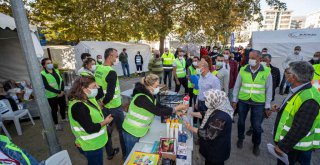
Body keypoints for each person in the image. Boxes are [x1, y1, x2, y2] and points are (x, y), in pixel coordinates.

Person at [122, 74, 188, 159]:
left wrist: (176, 112)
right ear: (149, 86)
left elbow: (160, 106)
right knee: (130, 156)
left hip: (139, 130)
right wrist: (176, 108)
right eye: (157, 86)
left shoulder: (149, 95)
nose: (158, 88)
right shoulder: (141, 98)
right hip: (131, 131)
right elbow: (158, 111)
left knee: (136, 155)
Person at [272, 61, 320, 165]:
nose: (285, 74)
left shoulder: (310, 98)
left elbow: (301, 127)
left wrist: (283, 146)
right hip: (291, 145)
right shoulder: (299, 89)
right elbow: (295, 108)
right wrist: (281, 108)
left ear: (293, 77)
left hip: (294, 147)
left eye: (287, 72)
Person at [232, 50, 273, 156]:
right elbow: (237, 86)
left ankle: (256, 144)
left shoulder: (267, 71)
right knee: (241, 122)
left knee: (256, 126)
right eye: (249, 57)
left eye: (253, 58)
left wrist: (267, 106)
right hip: (243, 100)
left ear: (260, 59)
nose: (250, 60)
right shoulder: (243, 69)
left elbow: (269, 90)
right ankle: (240, 138)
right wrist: (234, 100)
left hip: (259, 102)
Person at [68, 76, 113, 165]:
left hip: (95, 143)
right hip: (90, 145)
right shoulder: (79, 107)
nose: (96, 88)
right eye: (94, 87)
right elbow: (90, 128)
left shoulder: (87, 98)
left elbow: (100, 93)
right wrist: (105, 122)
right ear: (84, 89)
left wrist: (95, 84)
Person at [185, 89, 233, 165]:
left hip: (216, 152)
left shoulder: (221, 118)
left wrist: (190, 127)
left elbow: (207, 134)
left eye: (207, 99)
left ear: (215, 100)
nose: (205, 101)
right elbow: (204, 114)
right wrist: (190, 113)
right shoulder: (217, 107)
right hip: (213, 148)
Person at [95, 48, 125, 159]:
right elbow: (110, 94)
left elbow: (98, 89)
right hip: (114, 107)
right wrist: (102, 103)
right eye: (116, 56)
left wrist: (100, 103)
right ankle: (126, 155)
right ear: (110, 56)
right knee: (122, 131)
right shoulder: (111, 72)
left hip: (104, 107)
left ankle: (110, 153)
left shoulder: (99, 69)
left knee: (107, 130)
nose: (117, 59)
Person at [41, 58, 67, 131]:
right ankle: (56, 124)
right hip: (51, 95)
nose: (50, 64)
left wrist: (61, 91)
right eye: (48, 63)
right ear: (44, 65)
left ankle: (63, 118)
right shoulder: (43, 74)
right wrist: (58, 92)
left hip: (61, 93)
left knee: (63, 106)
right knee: (54, 110)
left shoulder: (56, 71)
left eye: (50, 62)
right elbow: (46, 86)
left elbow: (62, 81)